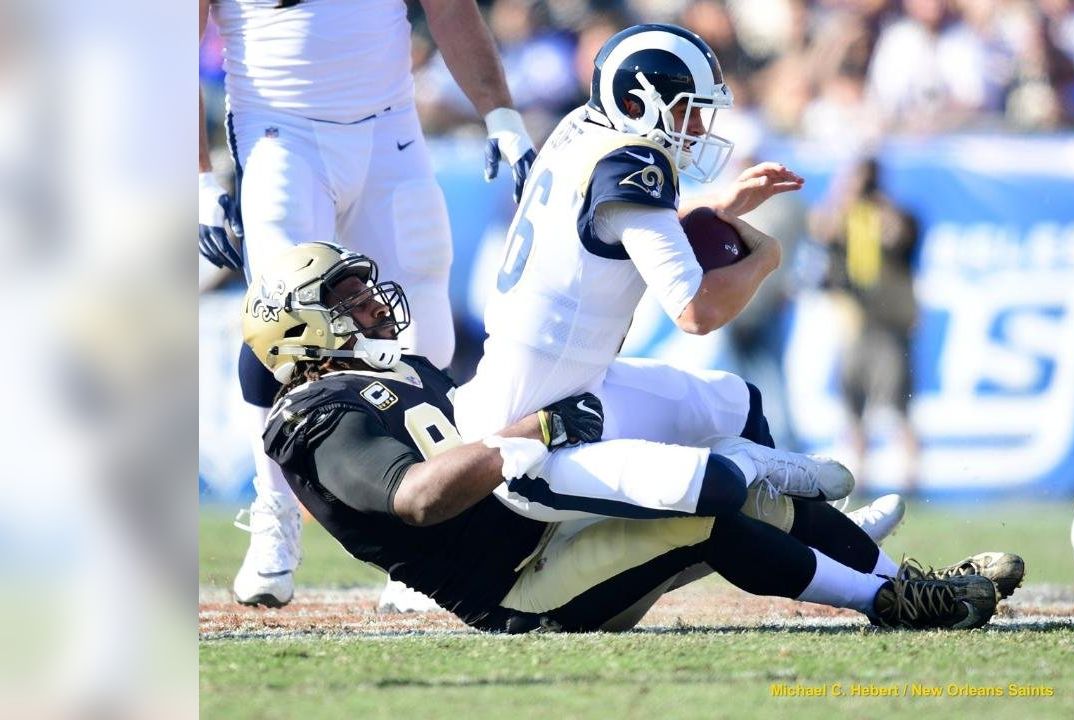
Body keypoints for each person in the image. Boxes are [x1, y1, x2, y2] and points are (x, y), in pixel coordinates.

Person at [241, 242, 1025, 632]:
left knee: (744, 488)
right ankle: (890, 602)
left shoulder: (398, 370)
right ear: (301, 333)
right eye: (349, 301)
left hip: (535, 525)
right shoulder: (319, 419)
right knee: (705, 515)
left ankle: (906, 577)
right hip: (519, 588)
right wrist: (537, 428)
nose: (375, 307)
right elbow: (417, 499)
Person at [198, 0, 537, 612]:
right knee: (285, 315)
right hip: (280, 129)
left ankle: (422, 547)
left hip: (389, 127)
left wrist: (502, 114)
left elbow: (451, 9)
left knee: (420, 324)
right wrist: (197, 179)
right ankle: (276, 514)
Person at [454, 24, 867, 526]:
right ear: (634, 104)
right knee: (716, 483)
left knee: (736, 405)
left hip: (570, 387)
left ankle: (842, 540)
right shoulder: (634, 159)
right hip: (528, 444)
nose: (696, 125)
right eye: (685, 109)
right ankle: (820, 540)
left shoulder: (581, 129)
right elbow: (698, 312)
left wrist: (714, 203)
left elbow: (611, 221)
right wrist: (768, 257)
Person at [814, 157, 922, 499]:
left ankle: (911, 481)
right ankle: (859, 482)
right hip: (854, 327)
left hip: (888, 326)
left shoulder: (893, 216)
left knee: (896, 409)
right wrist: (842, 195)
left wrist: (876, 200)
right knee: (853, 411)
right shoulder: (844, 218)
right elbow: (820, 229)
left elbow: (899, 234)